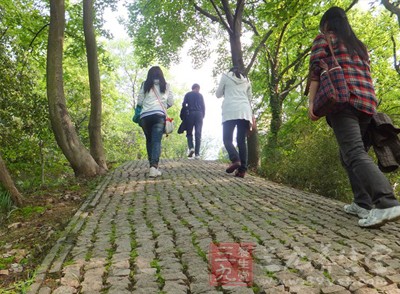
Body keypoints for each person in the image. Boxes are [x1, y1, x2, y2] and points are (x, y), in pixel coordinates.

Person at [308, 6, 400, 228]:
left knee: (354, 152)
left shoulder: (324, 39)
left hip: (343, 100)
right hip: (367, 104)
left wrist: (311, 103)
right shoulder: (359, 46)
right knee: (347, 154)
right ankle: (362, 203)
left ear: (327, 24)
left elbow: (315, 71)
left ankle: (386, 202)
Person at [216, 66, 253, 178]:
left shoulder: (225, 76)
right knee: (241, 141)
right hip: (244, 111)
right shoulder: (246, 79)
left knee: (227, 139)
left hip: (230, 110)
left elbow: (218, 94)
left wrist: (227, 91)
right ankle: (242, 170)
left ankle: (235, 159)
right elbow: (249, 97)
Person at [137, 66, 174, 178]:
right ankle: (154, 167)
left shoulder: (145, 84)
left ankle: (152, 167)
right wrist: (163, 106)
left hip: (145, 116)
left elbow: (139, 101)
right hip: (158, 115)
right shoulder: (166, 85)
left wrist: (145, 105)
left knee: (149, 140)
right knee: (156, 141)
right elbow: (171, 101)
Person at [181, 83, 205, 159]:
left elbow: (184, 104)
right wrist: (202, 115)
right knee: (198, 133)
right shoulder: (200, 95)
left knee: (189, 133)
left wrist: (184, 114)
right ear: (197, 88)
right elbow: (203, 106)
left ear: (192, 88)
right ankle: (197, 154)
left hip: (190, 114)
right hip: (199, 114)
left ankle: (191, 148)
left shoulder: (188, 94)